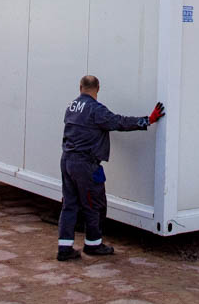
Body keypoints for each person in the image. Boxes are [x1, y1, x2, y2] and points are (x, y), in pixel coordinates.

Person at [56, 74, 165, 261]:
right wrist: (148, 120)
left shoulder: (71, 106)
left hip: (67, 161)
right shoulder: (95, 109)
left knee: (70, 204)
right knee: (94, 205)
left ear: (80, 87)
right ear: (98, 89)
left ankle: (64, 248)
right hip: (86, 165)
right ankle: (93, 245)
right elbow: (119, 122)